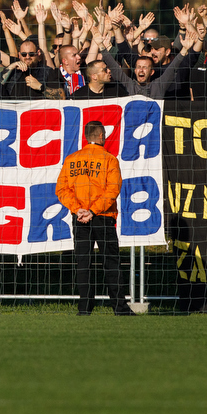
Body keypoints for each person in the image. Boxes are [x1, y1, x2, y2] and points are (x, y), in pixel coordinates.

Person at [56, 120, 129, 316]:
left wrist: (78, 209)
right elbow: (112, 190)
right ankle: (119, 308)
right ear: (101, 136)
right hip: (103, 216)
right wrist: (94, 211)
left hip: (79, 218)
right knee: (111, 262)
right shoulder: (109, 159)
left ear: (86, 137)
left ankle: (84, 308)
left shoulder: (72, 159)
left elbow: (62, 189)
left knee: (83, 262)